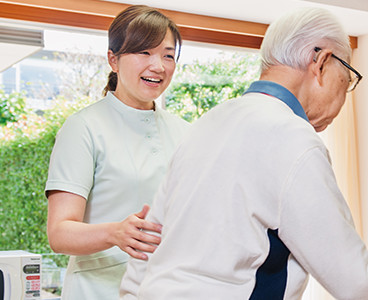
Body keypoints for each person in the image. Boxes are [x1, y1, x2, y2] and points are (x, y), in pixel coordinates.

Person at [120, 7, 368, 300]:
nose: (344, 91)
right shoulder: (294, 139)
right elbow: (355, 280)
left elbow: (149, 241)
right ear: (322, 61)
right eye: (348, 77)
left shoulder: (205, 124)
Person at [45, 5, 189, 300]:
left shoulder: (186, 132)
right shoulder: (83, 127)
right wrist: (115, 233)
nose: (158, 66)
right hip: (97, 291)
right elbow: (59, 233)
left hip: (167, 289)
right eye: (144, 52)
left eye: (168, 55)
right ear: (114, 59)